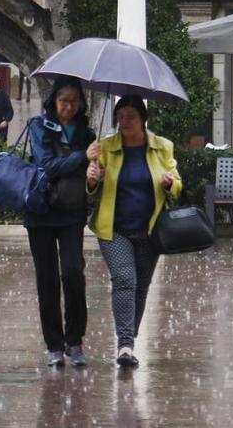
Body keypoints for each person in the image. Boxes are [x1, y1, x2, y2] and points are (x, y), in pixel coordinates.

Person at [85, 95, 182, 368]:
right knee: (125, 280)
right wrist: (92, 179)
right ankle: (125, 346)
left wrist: (168, 183)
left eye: (131, 116)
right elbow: (91, 189)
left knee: (141, 288)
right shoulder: (104, 147)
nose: (124, 121)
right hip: (114, 229)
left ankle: (130, 338)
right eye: (121, 116)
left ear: (143, 120)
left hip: (149, 230)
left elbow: (177, 183)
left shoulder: (162, 147)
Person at [25, 76, 96, 367]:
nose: (69, 107)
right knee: (47, 279)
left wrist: (93, 171)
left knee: (73, 272)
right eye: (64, 101)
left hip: (71, 212)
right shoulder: (39, 127)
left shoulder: (87, 134)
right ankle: (54, 343)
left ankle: (75, 339)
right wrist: (82, 158)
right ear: (54, 101)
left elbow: (89, 172)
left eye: (74, 102)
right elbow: (47, 166)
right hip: (41, 211)